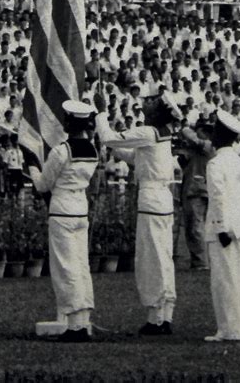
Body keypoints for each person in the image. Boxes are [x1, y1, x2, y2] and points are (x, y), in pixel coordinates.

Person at [95, 93, 182, 336]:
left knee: (151, 258)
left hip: (152, 199)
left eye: (152, 103)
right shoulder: (161, 134)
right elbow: (138, 157)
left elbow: (108, 136)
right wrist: (115, 148)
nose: (147, 104)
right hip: (162, 199)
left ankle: (156, 318)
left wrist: (101, 113)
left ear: (158, 112)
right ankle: (165, 314)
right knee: (163, 257)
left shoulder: (148, 132)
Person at [29, 100, 98, 342]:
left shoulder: (62, 151)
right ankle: (82, 318)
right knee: (81, 265)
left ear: (70, 123)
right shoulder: (92, 150)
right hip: (80, 209)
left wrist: (33, 167)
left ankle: (75, 325)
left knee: (66, 267)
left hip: (62, 211)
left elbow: (42, 184)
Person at [204, 109, 240, 342]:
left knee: (225, 279)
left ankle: (228, 329)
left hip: (226, 229)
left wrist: (220, 227)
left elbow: (217, 196)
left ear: (219, 136)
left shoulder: (216, 163)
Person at [179, 120, 215, 270]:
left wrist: (186, 126)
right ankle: (198, 260)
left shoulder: (207, 145)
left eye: (198, 130)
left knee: (196, 227)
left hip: (198, 191)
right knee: (193, 227)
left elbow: (189, 134)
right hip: (195, 189)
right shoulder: (200, 149)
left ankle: (201, 262)